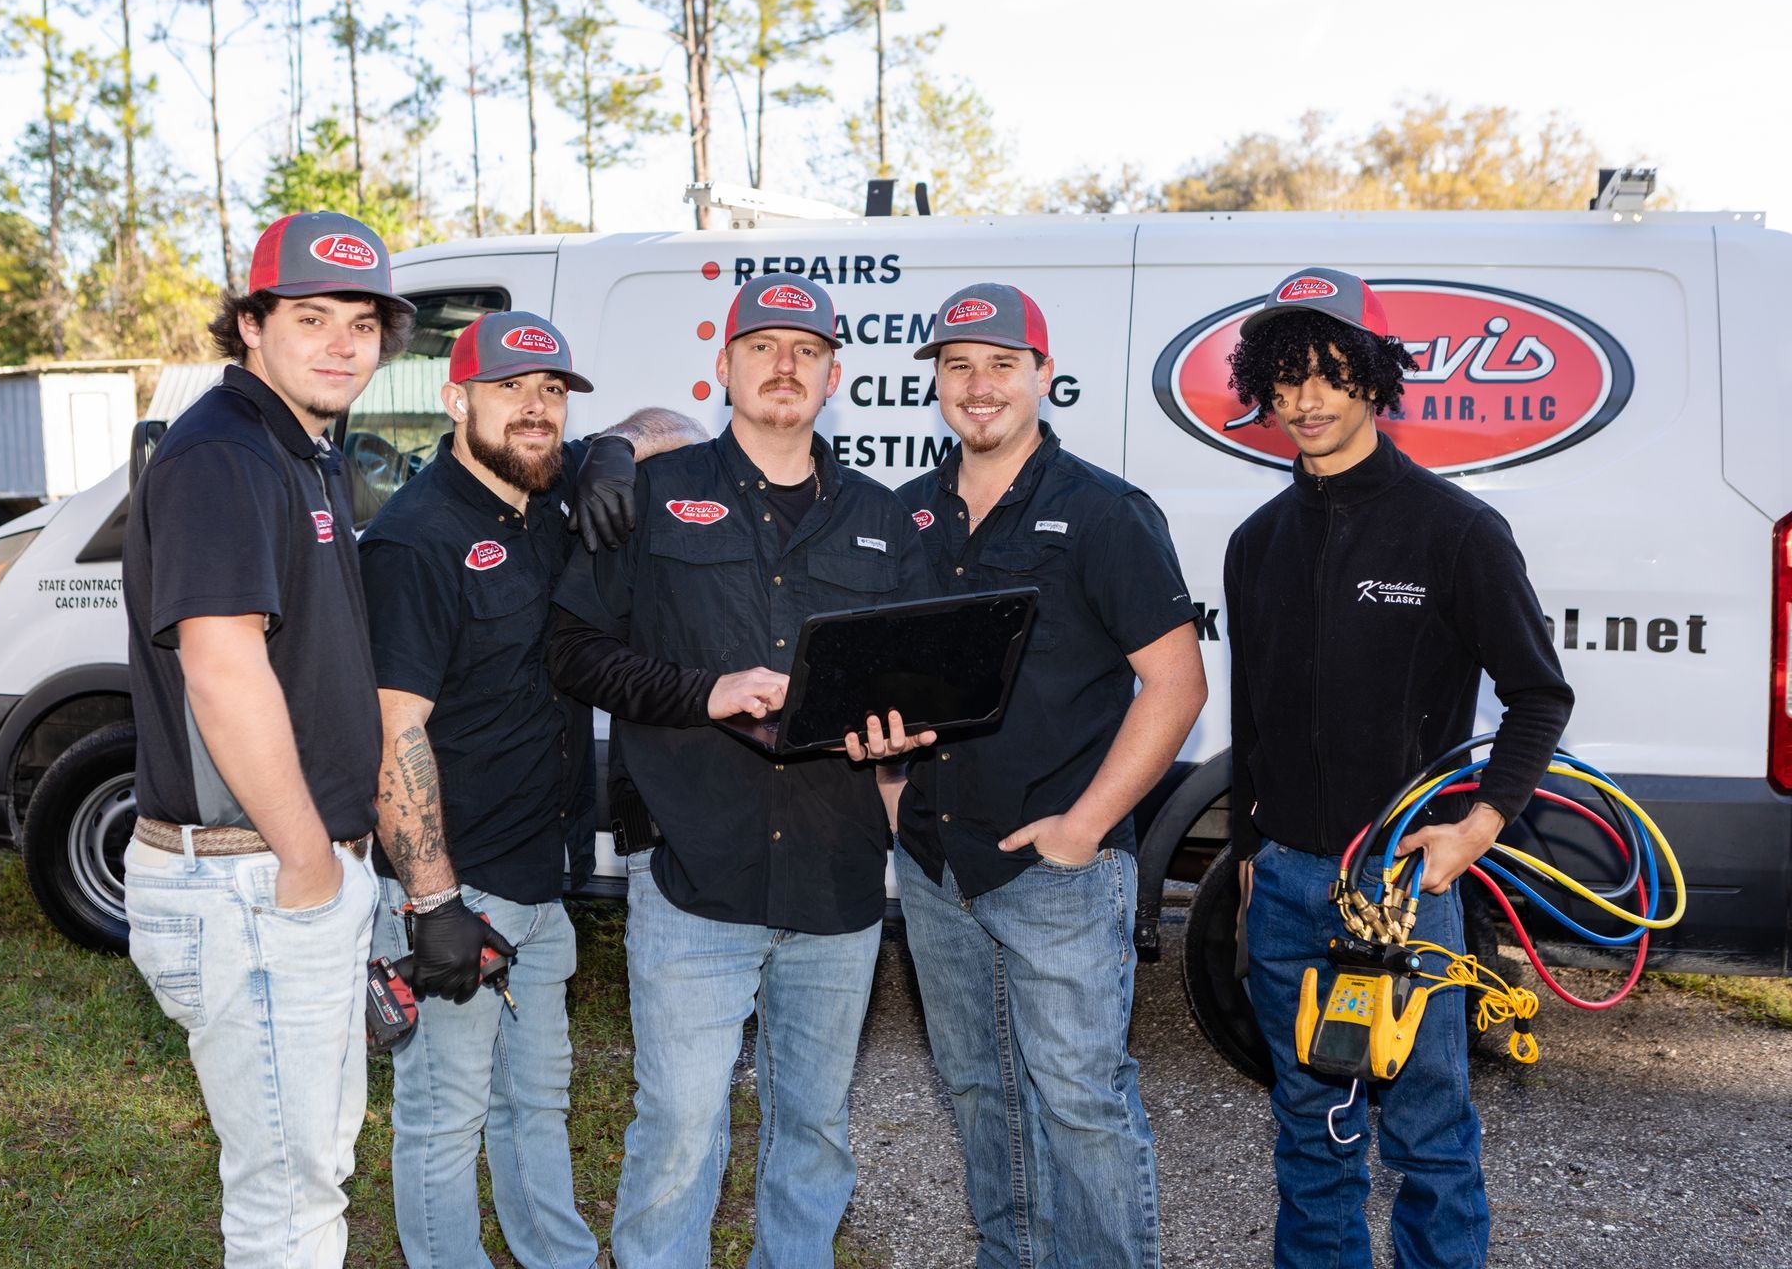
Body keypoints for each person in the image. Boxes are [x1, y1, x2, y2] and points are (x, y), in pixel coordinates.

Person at [546, 273, 935, 1269]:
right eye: (763, 346)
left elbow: (916, 680)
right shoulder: (654, 498)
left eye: (806, 351)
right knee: (678, 1127)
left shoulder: (884, 522)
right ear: (724, 366)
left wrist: (900, 733)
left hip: (836, 879)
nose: (785, 365)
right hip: (695, 871)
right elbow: (574, 647)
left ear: (834, 375)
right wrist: (703, 690)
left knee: (814, 1131)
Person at [1223, 267, 1575, 1269]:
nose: (1308, 400)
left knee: (1426, 1136)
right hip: (1289, 882)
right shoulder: (1256, 544)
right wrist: (1249, 854)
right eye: (1286, 377)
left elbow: (1539, 696)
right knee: (1310, 1131)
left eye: (1333, 372)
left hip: (1406, 887)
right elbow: (1252, 716)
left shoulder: (1455, 529)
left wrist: (1475, 828)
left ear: (1377, 376)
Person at [357, 310, 703, 1269]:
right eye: (511, 388)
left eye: (552, 390)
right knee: (444, 1117)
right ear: (455, 398)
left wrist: (619, 453)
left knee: (536, 1103)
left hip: (545, 881)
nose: (536, 408)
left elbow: (671, 422)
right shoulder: (414, 541)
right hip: (459, 887)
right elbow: (396, 735)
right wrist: (436, 906)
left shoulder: (547, 497)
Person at [887, 283, 1206, 1269]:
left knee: (1076, 1096)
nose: (978, 385)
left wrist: (1085, 824)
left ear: (1041, 377)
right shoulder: (906, 514)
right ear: (936, 381)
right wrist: (891, 794)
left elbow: (1177, 682)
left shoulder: (1102, 511)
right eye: (957, 365)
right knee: (979, 1086)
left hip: (1058, 868)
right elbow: (877, 670)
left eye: (1000, 364)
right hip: (939, 865)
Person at [120, 211, 416, 1265]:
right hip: (252, 883)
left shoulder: (306, 452)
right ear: (251, 323)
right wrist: (304, 859)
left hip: (283, 880)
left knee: (306, 1181)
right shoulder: (227, 455)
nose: (342, 341)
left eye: (363, 321)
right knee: (287, 1206)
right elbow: (221, 663)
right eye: (310, 316)